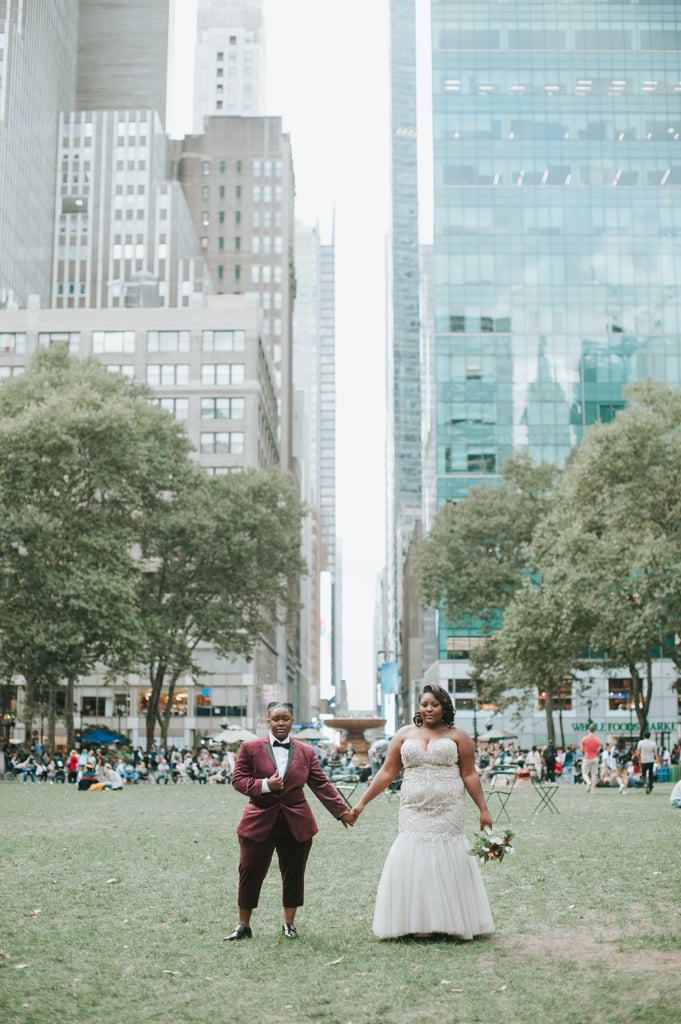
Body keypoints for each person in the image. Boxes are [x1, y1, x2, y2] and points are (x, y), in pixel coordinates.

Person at [350, 684, 494, 941]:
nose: (429, 709)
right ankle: (413, 921)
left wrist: (483, 809)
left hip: (448, 808)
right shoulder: (405, 734)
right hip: (412, 808)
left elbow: (469, 773)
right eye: (424, 704)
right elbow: (386, 772)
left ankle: (449, 921)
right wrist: (361, 803)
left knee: (445, 855)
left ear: (445, 707)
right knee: (413, 853)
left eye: (434, 704)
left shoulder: (459, 736)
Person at [226, 701, 355, 942]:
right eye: (276, 719)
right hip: (259, 820)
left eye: (285, 718)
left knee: (294, 873)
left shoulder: (306, 752)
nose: (281, 723)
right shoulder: (250, 747)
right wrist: (265, 785)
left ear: (292, 721)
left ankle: (289, 923)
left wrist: (341, 812)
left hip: (297, 822)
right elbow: (238, 780)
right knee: (250, 871)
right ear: (268, 722)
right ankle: (244, 925)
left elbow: (321, 784)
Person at [580, 724, 601, 793]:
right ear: (594, 731)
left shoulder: (584, 739)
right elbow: (598, 750)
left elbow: (582, 749)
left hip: (587, 757)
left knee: (584, 773)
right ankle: (592, 790)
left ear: (588, 730)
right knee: (594, 774)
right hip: (595, 758)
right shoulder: (597, 740)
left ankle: (588, 782)